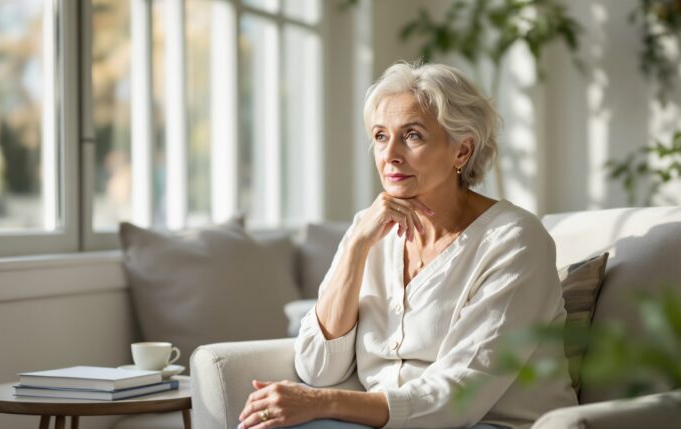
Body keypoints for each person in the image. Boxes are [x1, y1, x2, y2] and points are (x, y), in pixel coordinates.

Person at [237, 62, 578, 429]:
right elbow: (318, 367)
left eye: (412, 135)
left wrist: (323, 403)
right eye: (381, 136)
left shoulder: (515, 240)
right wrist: (355, 247)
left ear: (462, 152)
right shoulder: (367, 230)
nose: (390, 155)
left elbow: (459, 396)